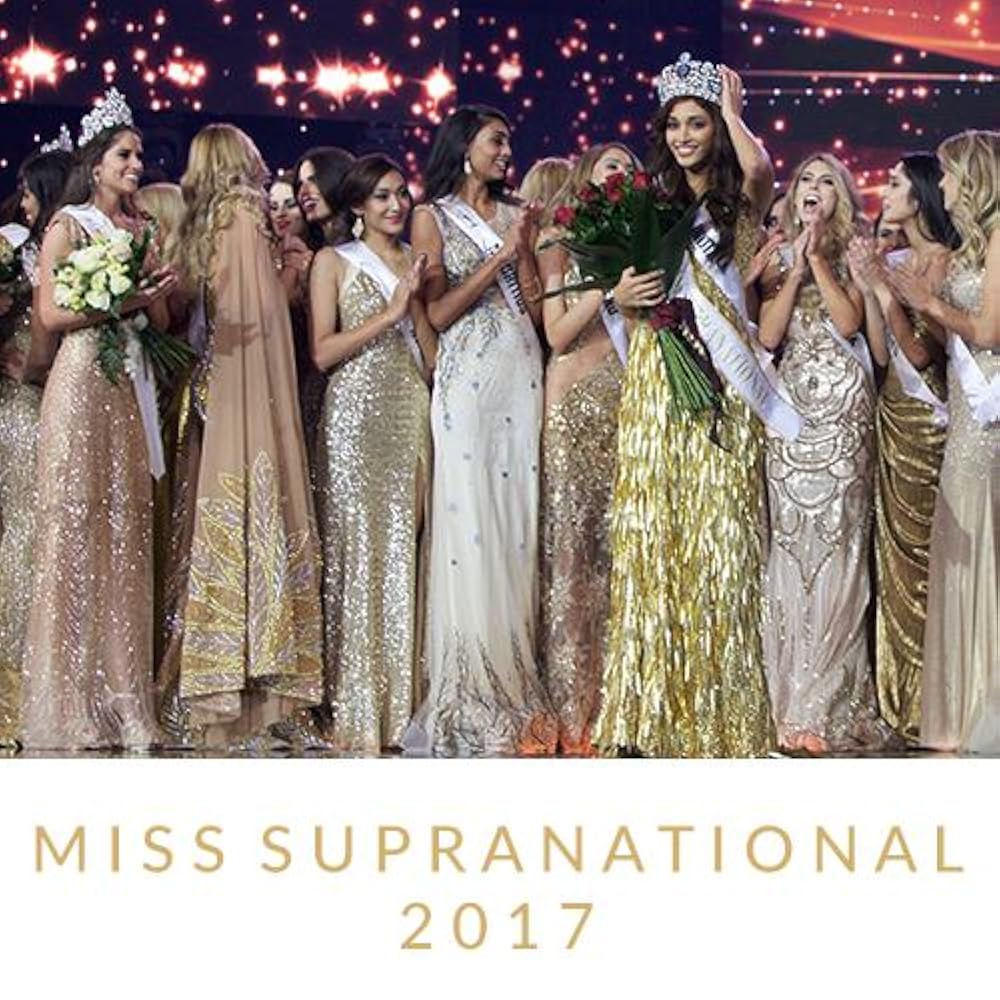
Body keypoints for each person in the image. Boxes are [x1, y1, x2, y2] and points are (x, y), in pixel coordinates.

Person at [595, 55, 783, 758]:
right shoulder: (645, 203)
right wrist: (619, 296)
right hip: (655, 377)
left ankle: (721, 720)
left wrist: (733, 111)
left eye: (696, 123)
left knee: (720, 542)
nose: (683, 135)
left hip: (719, 378)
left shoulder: (737, 205)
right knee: (655, 536)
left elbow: (760, 171)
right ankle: (648, 718)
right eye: (673, 123)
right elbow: (624, 294)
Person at [158, 123, 323, 748]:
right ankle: (261, 692)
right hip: (249, 391)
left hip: (211, 386)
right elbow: (263, 315)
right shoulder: (247, 212)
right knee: (262, 502)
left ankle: (211, 681)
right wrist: (292, 270)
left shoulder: (202, 224)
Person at [21, 89, 175, 750]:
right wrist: (122, 300)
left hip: (129, 383)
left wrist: (159, 291)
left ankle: (128, 704)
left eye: (139, 155)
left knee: (126, 535)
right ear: (96, 164)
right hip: (82, 380)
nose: (136, 165)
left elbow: (159, 320)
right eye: (124, 156)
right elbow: (51, 315)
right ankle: (72, 705)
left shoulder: (143, 230)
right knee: (76, 534)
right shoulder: (69, 226)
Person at [403, 105, 556, 756]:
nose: (506, 152)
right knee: (471, 520)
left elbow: (534, 304)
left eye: (509, 142)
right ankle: (472, 687)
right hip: (467, 379)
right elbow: (437, 312)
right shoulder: (431, 217)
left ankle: (516, 679)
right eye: (497, 141)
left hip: (520, 370)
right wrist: (500, 257)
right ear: (465, 146)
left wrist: (525, 254)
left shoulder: (519, 212)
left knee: (515, 520)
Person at [759, 152, 892, 753]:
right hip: (791, 411)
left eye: (826, 182)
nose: (813, 188)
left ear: (842, 196)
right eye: (805, 181)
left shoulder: (853, 253)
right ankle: (788, 700)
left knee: (839, 544)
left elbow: (848, 323)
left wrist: (816, 258)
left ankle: (827, 701)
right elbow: (768, 335)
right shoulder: (776, 254)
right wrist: (792, 267)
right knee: (790, 545)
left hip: (843, 411)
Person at [309, 153, 434, 753]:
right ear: (358, 205)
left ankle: (401, 708)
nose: (395, 205)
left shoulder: (416, 261)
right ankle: (354, 706)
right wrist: (390, 312)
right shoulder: (333, 261)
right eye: (382, 196)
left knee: (404, 550)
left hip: (409, 410)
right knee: (356, 551)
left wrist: (416, 306)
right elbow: (322, 353)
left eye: (401, 194)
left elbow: (430, 355)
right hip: (354, 418)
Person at [888, 130, 999, 751]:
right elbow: (947, 340)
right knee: (959, 544)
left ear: (974, 177)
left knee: (981, 539)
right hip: (966, 412)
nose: (945, 185)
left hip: (988, 419)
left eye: (951, 173)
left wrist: (928, 300)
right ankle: (960, 705)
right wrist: (904, 301)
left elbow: (988, 331)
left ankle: (984, 699)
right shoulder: (973, 246)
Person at [847, 153, 959, 741]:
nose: (884, 192)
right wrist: (871, 289)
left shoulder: (943, 260)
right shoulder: (890, 260)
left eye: (894, 184)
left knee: (926, 560)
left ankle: (936, 699)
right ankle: (900, 701)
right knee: (891, 562)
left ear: (919, 196)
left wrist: (884, 292)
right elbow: (882, 353)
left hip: (930, 421)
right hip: (891, 413)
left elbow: (922, 353)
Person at [535, 142, 642, 755]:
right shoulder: (560, 241)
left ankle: (617, 706)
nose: (620, 174)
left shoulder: (644, 244)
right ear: (587, 176)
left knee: (618, 558)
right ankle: (571, 705)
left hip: (625, 403)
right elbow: (556, 334)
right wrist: (604, 289)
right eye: (611, 165)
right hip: (573, 405)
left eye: (629, 167)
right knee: (572, 555)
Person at [0, 143, 72, 748]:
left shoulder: (63, 247)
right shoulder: (12, 247)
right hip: (20, 403)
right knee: (23, 530)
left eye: (28, 191)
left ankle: (46, 677)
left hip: (60, 397)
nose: (21, 203)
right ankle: (12, 681)